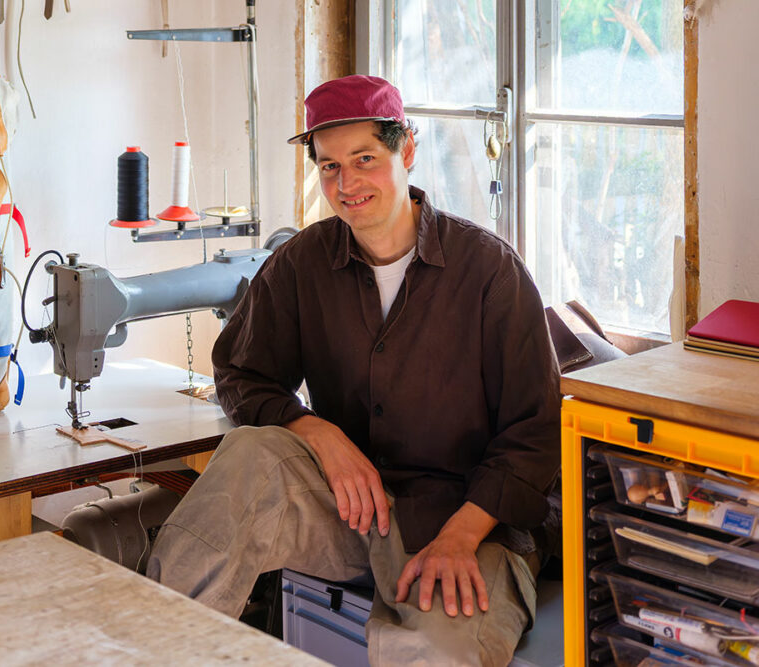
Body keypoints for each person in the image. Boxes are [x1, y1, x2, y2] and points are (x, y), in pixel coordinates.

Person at [147, 75, 560, 666]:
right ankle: (146, 644)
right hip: (351, 509)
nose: (347, 184)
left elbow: (535, 435)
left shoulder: (490, 271)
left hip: (471, 521)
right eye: (330, 167)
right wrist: (316, 431)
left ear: (407, 150)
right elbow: (241, 373)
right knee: (248, 456)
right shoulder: (301, 263)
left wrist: (459, 537)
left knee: (433, 650)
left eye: (365, 159)